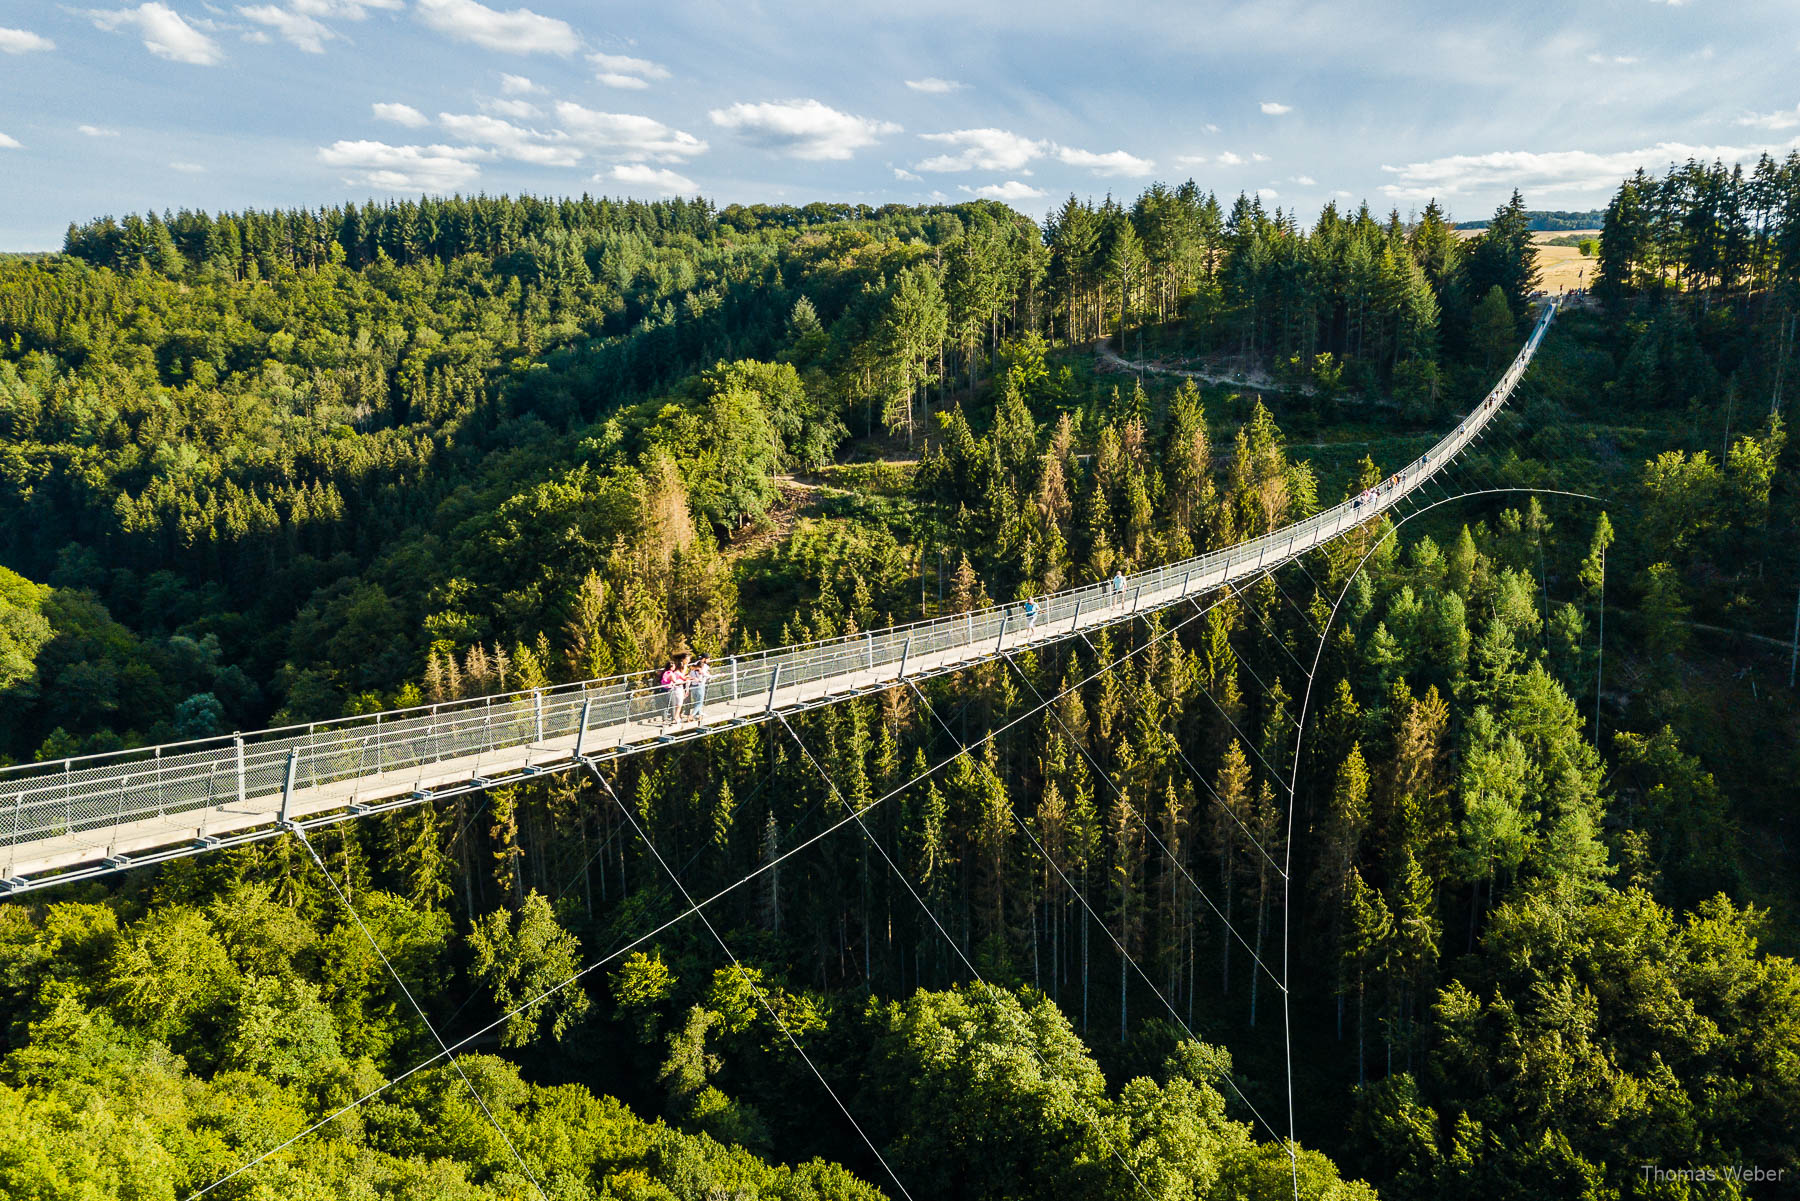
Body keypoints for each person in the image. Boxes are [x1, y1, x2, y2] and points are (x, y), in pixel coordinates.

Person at [660, 653, 690, 727]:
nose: (675, 667)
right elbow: (675, 681)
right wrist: (685, 681)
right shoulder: (671, 674)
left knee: (665, 705)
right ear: (671, 667)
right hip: (669, 690)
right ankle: (674, 719)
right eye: (673, 667)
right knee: (673, 704)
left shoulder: (665, 672)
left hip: (663, 689)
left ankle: (665, 719)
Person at [689, 655, 712, 722]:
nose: (709, 660)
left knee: (697, 701)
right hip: (700, 686)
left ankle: (698, 714)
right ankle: (692, 715)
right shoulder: (702, 669)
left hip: (693, 686)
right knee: (699, 702)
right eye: (708, 659)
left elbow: (690, 675)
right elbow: (707, 675)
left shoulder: (692, 670)